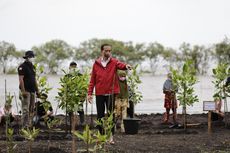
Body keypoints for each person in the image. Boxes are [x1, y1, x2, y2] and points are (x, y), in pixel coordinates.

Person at [87, 44, 131, 144]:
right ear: (102, 51)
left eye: (110, 51)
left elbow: (121, 65)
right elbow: (92, 80)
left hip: (111, 93)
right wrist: (89, 93)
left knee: (111, 115)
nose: (108, 53)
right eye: (106, 51)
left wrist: (126, 66)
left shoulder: (114, 62)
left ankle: (111, 137)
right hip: (99, 94)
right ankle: (101, 136)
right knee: (100, 116)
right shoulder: (96, 64)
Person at [18, 50, 39, 127]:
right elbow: (21, 79)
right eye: (30, 57)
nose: (32, 58)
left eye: (32, 57)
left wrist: (38, 90)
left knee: (31, 109)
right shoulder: (22, 67)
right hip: (26, 90)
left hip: (32, 90)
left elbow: (34, 79)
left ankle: (29, 124)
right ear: (26, 57)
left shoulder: (33, 67)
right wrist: (23, 91)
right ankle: (24, 126)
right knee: (25, 109)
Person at [67, 62, 85, 127]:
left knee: (80, 109)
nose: (73, 68)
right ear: (69, 67)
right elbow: (65, 87)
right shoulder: (67, 76)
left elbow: (83, 86)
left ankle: (82, 122)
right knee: (70, 110)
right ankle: (70, 122)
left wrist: (83, 96)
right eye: (72, 67)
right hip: (70, 96)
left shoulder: (80, 75)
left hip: (78, 96)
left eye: (75, 67)